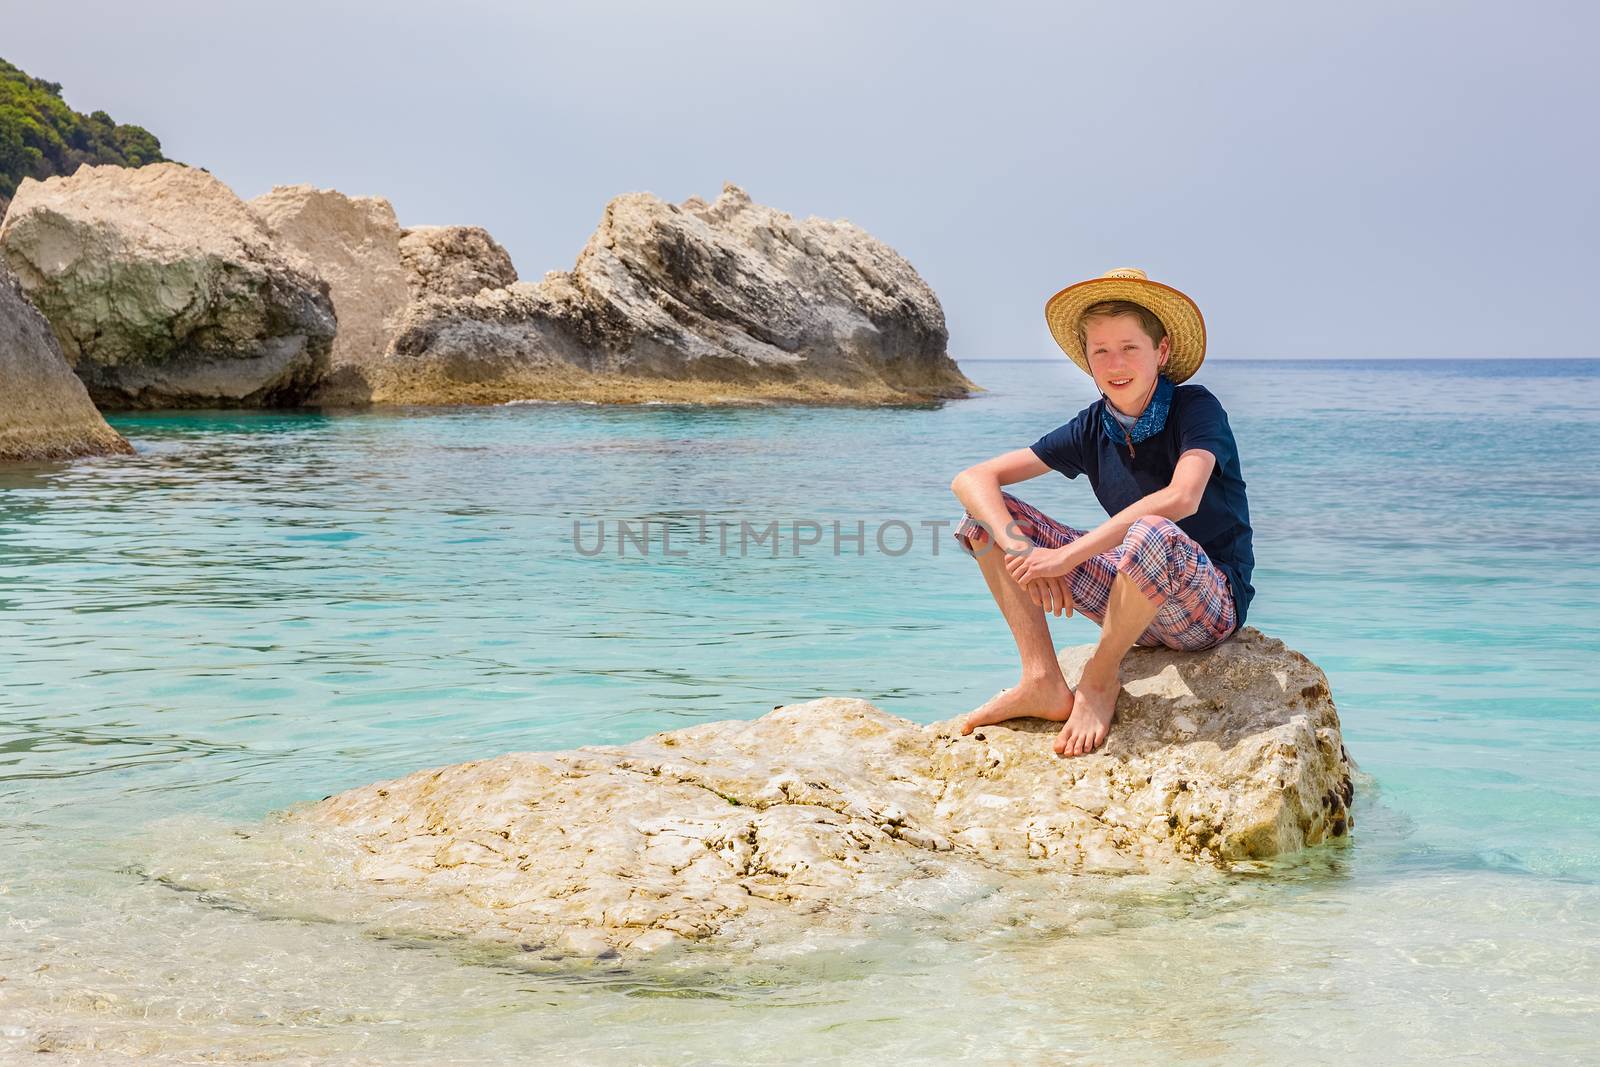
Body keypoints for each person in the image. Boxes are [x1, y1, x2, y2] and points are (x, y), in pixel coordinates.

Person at [948, 267, 1255, 758]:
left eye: (1130, 347)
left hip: (1207, 604)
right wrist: (1023, 550)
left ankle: (1099, 677)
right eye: (1101, 351)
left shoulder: (1196, 409)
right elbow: (972, 479)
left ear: (1162, 351)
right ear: (1087, 361)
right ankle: (1042, 680)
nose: (1116, 363)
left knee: (1153, 530)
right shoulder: (1093, 425)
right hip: (1132, 603)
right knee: (983, 522)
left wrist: (1067, 557)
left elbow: (1183, 498)